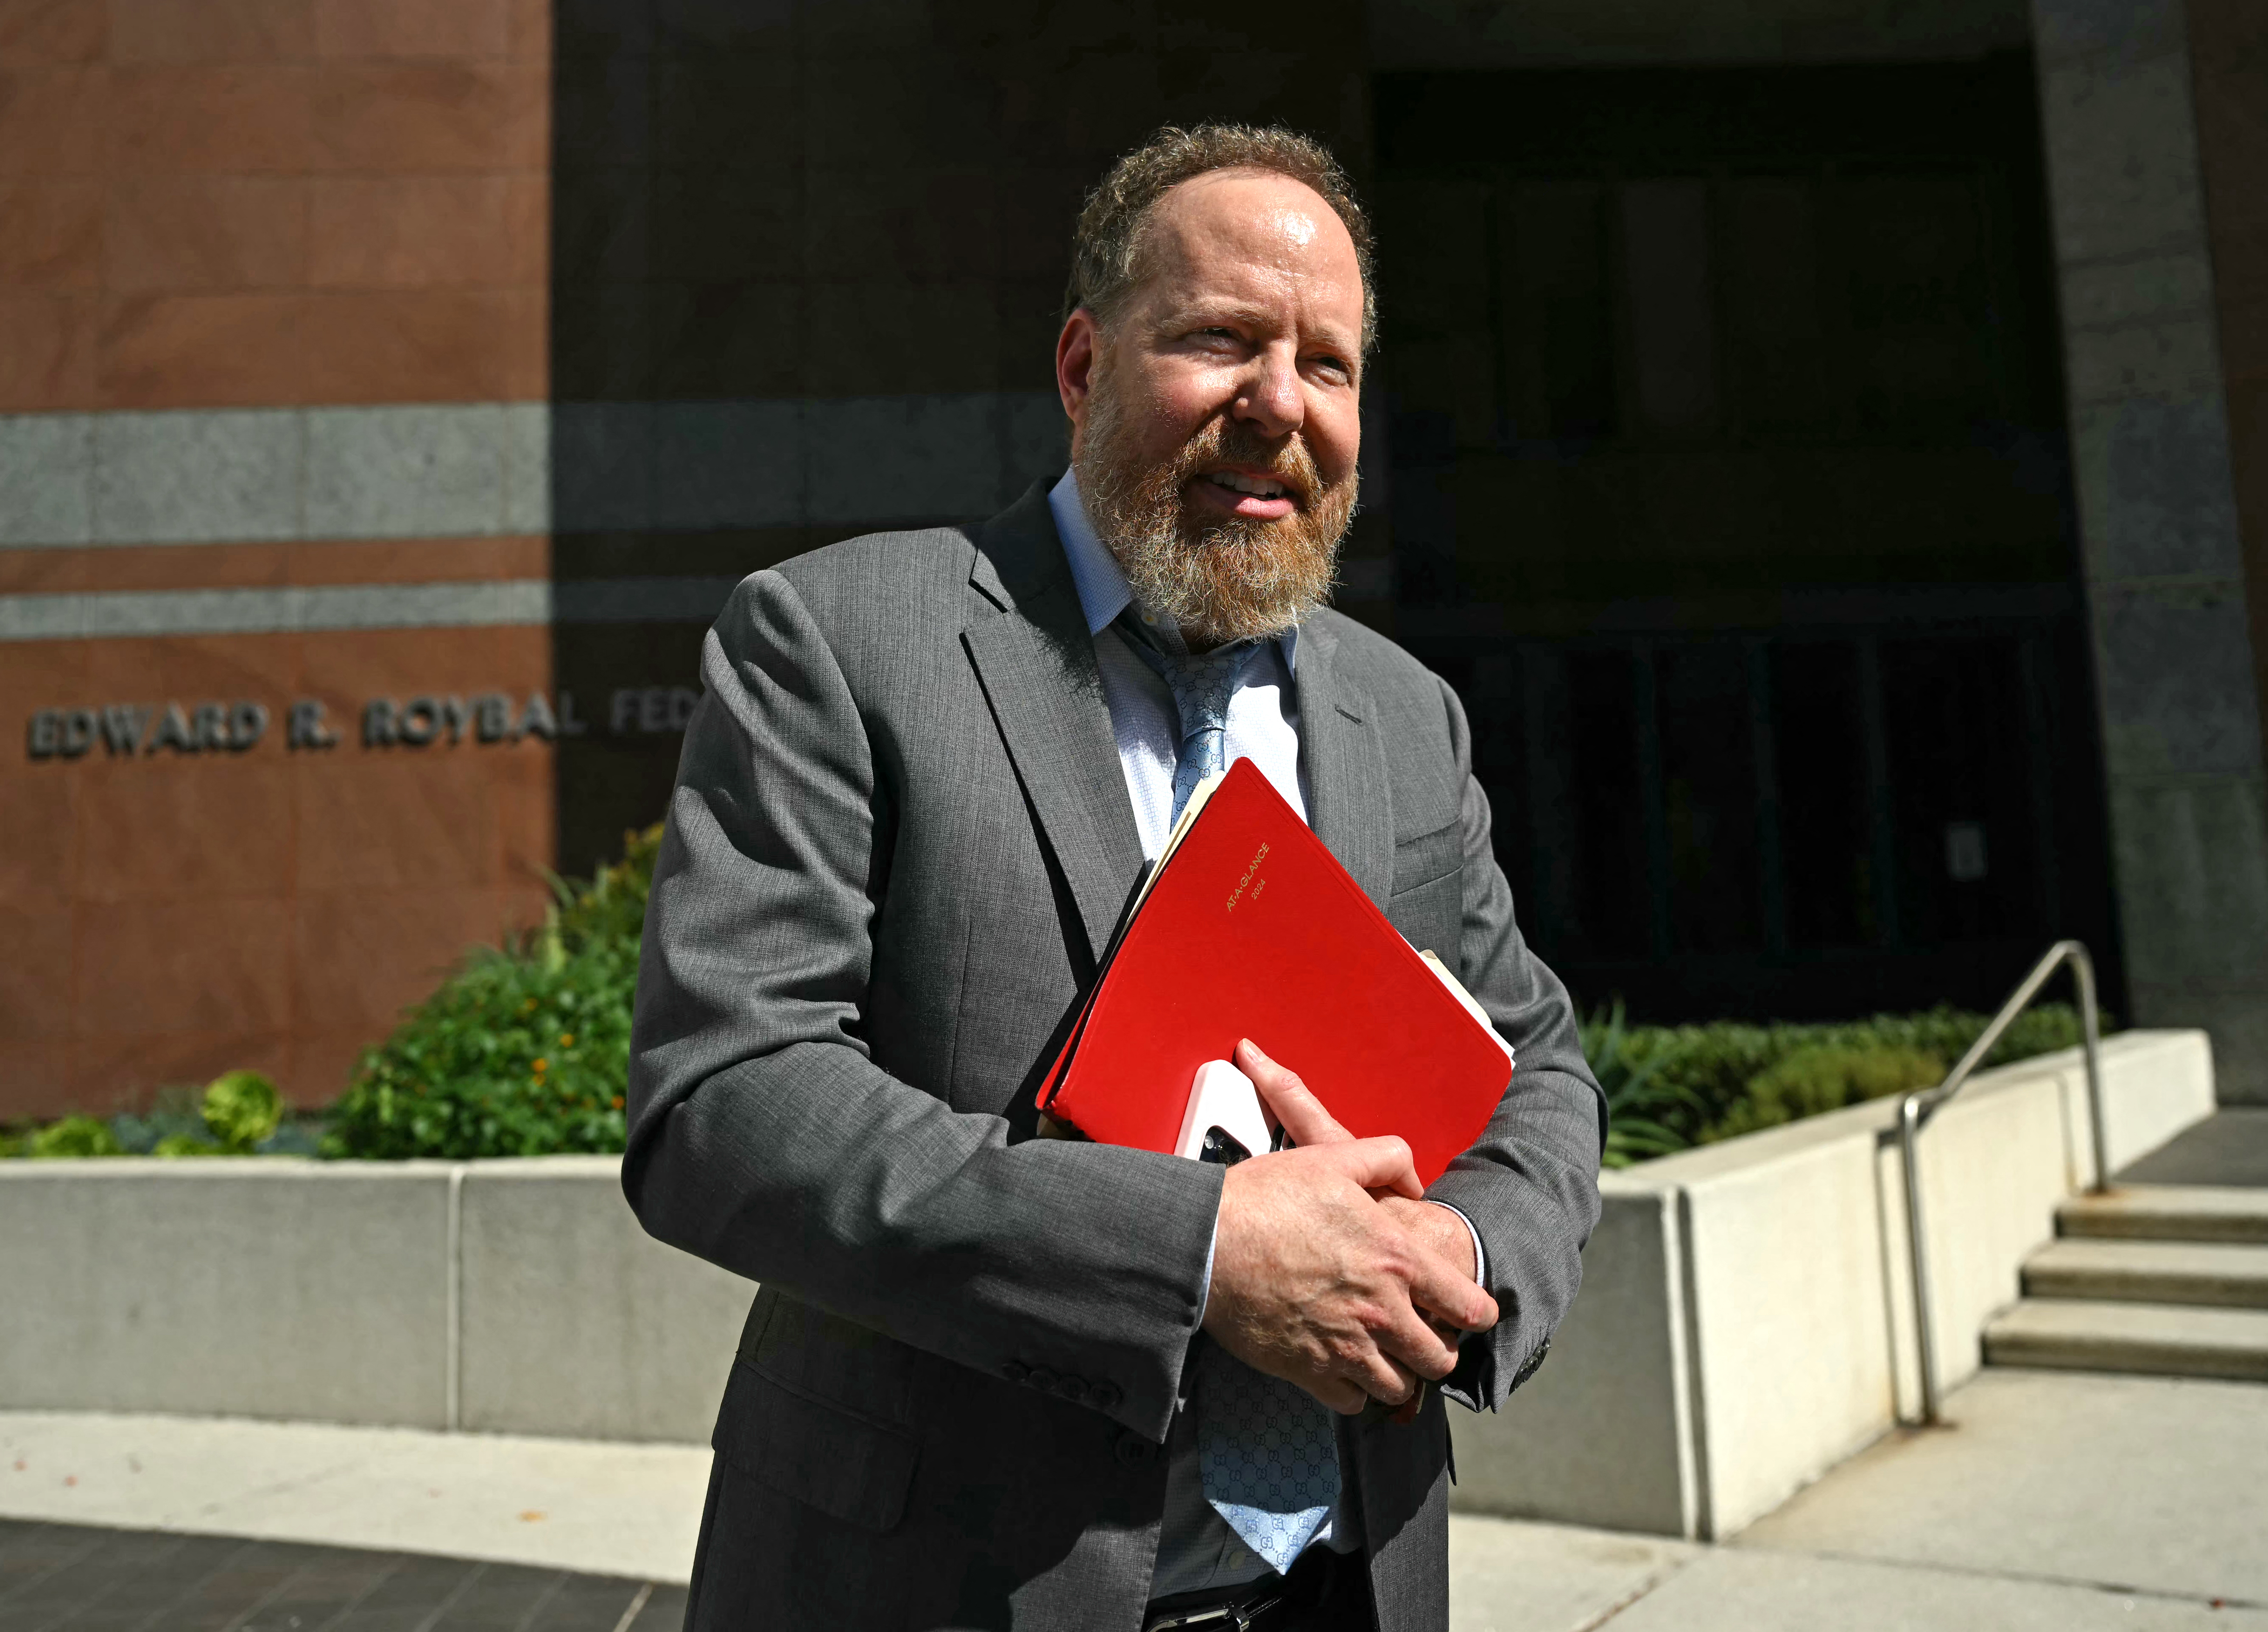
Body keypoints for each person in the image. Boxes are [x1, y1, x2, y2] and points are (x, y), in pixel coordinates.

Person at [625, 123, 1604, 1632]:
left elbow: (1538, 1065)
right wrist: (1203, 1254)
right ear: (1084, 366)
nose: (1281, 404)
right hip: (943, 1589)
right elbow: (728, 1096)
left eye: (1328, 365)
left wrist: (1463, 1258)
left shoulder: (1407, 713)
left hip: (1347, 1588)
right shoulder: (837, 638)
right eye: (1221, 341)